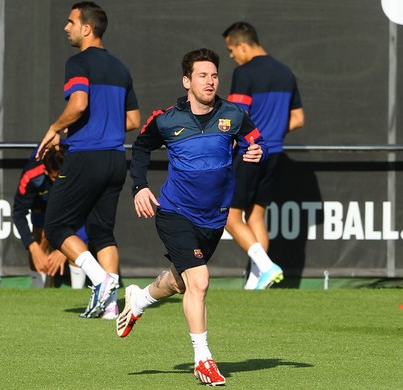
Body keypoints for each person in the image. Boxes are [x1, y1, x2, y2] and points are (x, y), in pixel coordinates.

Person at [117, 48, 267, 386]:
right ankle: (203, 360)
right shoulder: (166, 119)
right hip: (174, 212)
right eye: (202, 75)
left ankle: (139, 299)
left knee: (181, 280)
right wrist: (139, 187)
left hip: (213, 219)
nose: (210, 81)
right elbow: (140, 148)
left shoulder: (235, 115)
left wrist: (256, 151)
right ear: (187, 80)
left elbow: (256, 142)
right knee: (199, 281)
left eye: (214, 75)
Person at [36, 1, 141, 318]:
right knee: (102, 233)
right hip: (114, 159)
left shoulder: (78, 62)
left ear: (87, 27)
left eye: (70, 22)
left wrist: (55, 128)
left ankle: (101, 281)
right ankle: (110, 308)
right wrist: (105, 126)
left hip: (86, 157)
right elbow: (134, 119)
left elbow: (79, 104)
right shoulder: (120, 68)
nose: (66, 28)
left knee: (55, 227)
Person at [222, 21, 305, 290]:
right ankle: (255, 282)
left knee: (230, 218)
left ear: (243, 45)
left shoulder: (244, 73)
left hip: (249, 153)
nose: (232, 56)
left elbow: (237, 118)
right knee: (255, 217)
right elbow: (298, 119)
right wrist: (274, 131)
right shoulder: (286, 72)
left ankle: (267, 267)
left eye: (232, 50)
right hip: (275, 153)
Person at [12, 144, 86, 289]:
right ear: (46, 171)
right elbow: (19, 212)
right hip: (43, 205)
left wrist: (64, 250)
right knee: (40, 240)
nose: (59, 182)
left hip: (73, 208)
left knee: (77, 245)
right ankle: (38, 292)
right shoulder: (31, 174)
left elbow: (86, 211)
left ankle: (78, 293)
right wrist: (32, 247)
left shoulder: (81, 171)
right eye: (55, 178)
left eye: (63, 177)